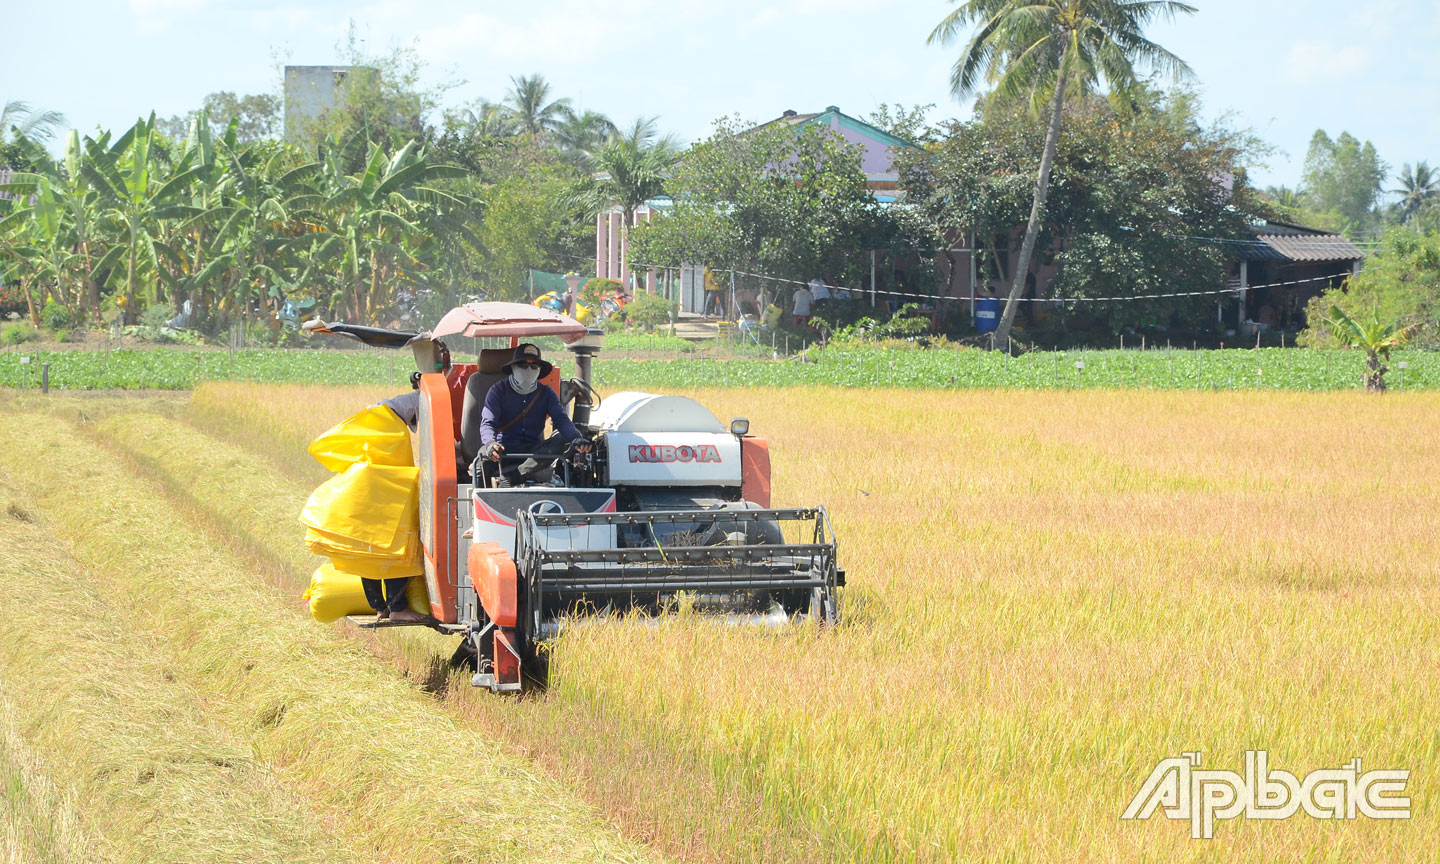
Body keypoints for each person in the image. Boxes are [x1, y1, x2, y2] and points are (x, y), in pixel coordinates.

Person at [478, 343, 592, 486]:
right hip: (503, 449)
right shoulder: (498, 391)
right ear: (513, 367)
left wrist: (576, 438)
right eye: (523, 365)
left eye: (534, 366)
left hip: (534, 451)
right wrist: (490, 444)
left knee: (563, 439)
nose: (529, 370)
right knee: (481, 460)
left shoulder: (546, 393)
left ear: (539, 370)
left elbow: (561, 419)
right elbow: (488, 423)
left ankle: (514, 477)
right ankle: (481, 501)